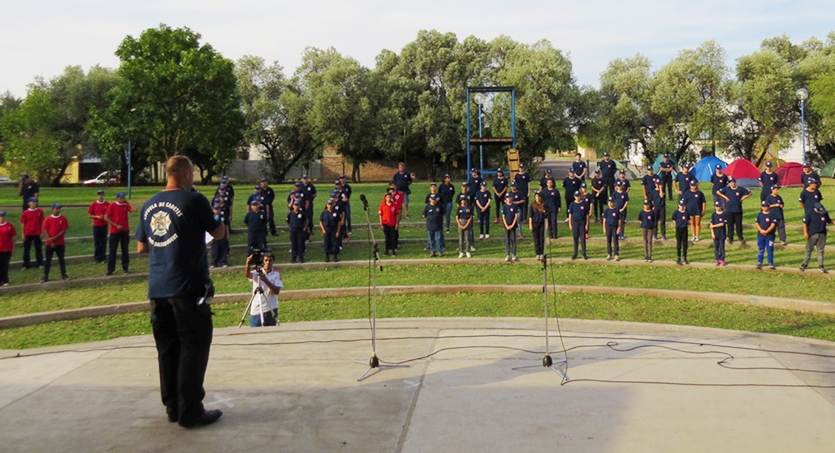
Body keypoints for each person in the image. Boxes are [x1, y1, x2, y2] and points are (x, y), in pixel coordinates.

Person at [135, 155, 225, 428]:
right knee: (194, 346)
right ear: (186, 173)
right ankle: (191, 410)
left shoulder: (149, 204)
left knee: (168, 348)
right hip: (187, 286)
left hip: (158, 287)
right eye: (193, 172)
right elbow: (218, 232)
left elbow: (142, 247)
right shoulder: (194, 200)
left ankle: (173, 407)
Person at [244, 252, 283, 326]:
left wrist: (265, 280)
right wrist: (248, 265)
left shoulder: (276, 273)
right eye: (266, 260)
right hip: (257, 309)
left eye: (270, 260)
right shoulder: (257, 272)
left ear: (273, 261)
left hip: (271, 308)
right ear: (263, 261)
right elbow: (247, 274)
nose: (268, 262)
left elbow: (276, 291)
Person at [105, 192, 137, 276]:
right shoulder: (112, 205)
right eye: (121, 198)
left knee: (125, 250)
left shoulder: (125, 206)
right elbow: (106, 217)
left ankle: (125, 268)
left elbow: (134, 209)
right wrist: (116, 225)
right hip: (115, 231)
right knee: (112, 251)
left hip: (125, 230)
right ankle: (110, 269)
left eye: (123, 198)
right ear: (117, 198)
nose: (122, 199)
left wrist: (128, 202)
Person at [801, 202, 835, 273]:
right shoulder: (810, 213)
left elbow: (828, 220)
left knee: (821, 250)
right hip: (812, 234)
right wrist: (805, 232)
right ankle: (805, 264)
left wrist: (833, 222)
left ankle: (821, 265)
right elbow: (805, 223)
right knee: (808, 250)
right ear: (815, 209)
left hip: (822, 234)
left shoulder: (824, 212)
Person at [41, 203, 70, 283]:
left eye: (59, 208)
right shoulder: (48, 219)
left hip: (60, 243)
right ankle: (45, 276)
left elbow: (63, 230)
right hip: (49, 244)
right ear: (52, 209)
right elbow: (45, 230)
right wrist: (50, 240)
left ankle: (64, 274)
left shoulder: (63, 218)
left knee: (61, 259)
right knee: (48, 260)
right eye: (57, 208)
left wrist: (54, 238)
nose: (58, 210)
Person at [717, 178, 751, 244]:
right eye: (730, 183)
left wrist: (743, 198)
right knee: (730, 225)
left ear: (735, 183)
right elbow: (718, 192)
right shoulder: (727, 189)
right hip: (729, 210)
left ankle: (740, 237)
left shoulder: (740, 189)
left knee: (738, 225)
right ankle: (730, 237)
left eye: (733, 182)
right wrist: (725, 197)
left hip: (738, 210)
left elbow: (749, 193)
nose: (732, 184)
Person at [20, 197, 44, 270]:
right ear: (29, 203)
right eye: (33, 202)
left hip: (37, 233)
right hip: (28, 233)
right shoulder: (25, 213)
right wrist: (22, 234)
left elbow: (42, 222)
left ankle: (40, 263)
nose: (34, 203)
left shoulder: (40, 211)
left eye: (35, 202)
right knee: (26, 250)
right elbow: (23, 224)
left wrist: (42, 232)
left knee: (38, 249)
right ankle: (26, 264)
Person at [87, 190, 110, 264]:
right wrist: (96, 216)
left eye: (102, 194)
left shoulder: (107, 204)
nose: (100, 196)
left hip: (104, 225)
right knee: (97, 242)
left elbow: (110, 214)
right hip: (96, 225)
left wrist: (105, 217)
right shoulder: (94, 204)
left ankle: (103, 258)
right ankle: (97, 258)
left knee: (104, 242)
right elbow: (90, 215)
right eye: (99, 195)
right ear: (97, 196)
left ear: (104, 195)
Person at [568, 191, 589, 260]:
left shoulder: (584, 204)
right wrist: (570, 224)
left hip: (582, 222)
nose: (577, 197)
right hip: (575, 222)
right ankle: (575, 253)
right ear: (574, 197)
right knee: (575, 238)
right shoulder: (572, 204)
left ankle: (584, 253)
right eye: (576, 196)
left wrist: (587, 224)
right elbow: (570, 215)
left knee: (583, 239)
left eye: (578, 196)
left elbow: (587, 215)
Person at [755, 201, 777, 270]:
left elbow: (773, 224)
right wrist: (761, 230)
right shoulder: (759, 215)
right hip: (761, 235)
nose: (764, 208)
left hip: (769, 236)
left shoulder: (772, 215)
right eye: (763, 206)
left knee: (770, 249)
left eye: (766, 206)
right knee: (761, 249)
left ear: (768, 207)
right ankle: (759, 262)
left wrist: (767, 231)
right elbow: (757, 223)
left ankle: (770, 262)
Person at [209, 202, 229, 268]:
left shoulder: (223, 216)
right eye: (215, 209)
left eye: (218, 209)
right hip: (214, 236)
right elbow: (208, 228)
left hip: (223, 235)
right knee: (215, 250)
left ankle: (223, 262)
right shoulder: (210, 218)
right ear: (213, 209)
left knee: (223, 249)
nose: (217, 210)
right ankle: (214, 263)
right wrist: (210, 238)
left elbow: (226, 225)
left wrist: (227, 234)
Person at [529, 191, 548, 261]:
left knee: (542, 238)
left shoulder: (544, 205)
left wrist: (547, 224)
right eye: (536, 196)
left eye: (539, 196)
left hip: (542, 223)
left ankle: (542, 253)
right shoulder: (532, 205)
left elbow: (546, 215)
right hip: (535, 223)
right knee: (536, 239)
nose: (538, 198)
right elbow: (530, 216)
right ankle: (537, 253)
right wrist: (530, 224)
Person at [501, 194, 520, 262]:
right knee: (507, 241)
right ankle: (508, 254)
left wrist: (512, 225)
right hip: (507, 225)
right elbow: (503, 216)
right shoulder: (504, 206)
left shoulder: (514, 206)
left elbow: (516, 216)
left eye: (509, 197)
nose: (508, 199)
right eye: (507, 198)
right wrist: (506, 225)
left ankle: (514, 254)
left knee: (513, 240)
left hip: (513, 225)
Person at [0, 210, 16, 286]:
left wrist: (14, 248)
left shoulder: (9, 226)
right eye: (0, 216)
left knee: (5, 266)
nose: (2, 218)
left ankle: (5, 280)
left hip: (7, 249)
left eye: (3, 216)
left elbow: (13, 237)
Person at [709, 201, 728, 266]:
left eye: (718, 206)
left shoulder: (724, 214)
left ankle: (722, 258)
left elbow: (722, 224)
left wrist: (714, 226)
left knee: (721, 246)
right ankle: (717, 258)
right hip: (715, 233)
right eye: (716, 207)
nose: (717, 208)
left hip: (722, 233)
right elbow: (711, 224)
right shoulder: (713, 215)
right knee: (716, 246)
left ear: (721, 207)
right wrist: (712, 233)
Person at [673, 199, 690, 265]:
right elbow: (674, 219)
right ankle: (678, 257)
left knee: (685, 243)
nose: (682, 207)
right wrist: (677, 224)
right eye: (681, 205)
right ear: (678, 206)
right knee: (679, 243)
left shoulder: (686, 212)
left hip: (684, 228)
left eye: (683, 206)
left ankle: (685, 257)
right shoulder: (676, 212)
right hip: (678, 228)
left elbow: (688, 220)